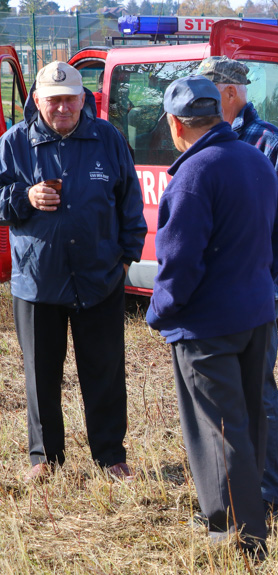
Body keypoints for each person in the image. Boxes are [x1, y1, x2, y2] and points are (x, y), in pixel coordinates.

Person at [145, 75, 278, 557]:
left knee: (217, 431)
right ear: (216, 113)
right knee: (249, 422)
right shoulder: (254, 158)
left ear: (175, 124)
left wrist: (160, 312)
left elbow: (179, 262)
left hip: (206, 327)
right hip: (255, 315)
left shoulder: (192, 175)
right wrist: (254, 286)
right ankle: (254, 516)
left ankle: (240, 536)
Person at [0, 61, 146, 483]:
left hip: (100, 278)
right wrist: (24, 196)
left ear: (84, 100)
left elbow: (129, 201)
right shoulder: (13, 143)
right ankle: (45, 459)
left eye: (70, 100)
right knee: (40, 374)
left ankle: (110, 455)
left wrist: (125, 258)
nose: (63, 108)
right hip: (37, 280)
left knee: (103, 370)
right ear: (37, 101)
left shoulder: (108, 140)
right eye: (54, 100)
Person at [196, 55, 278, 517]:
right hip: (215, 294)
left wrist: (238, 252)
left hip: (257, 290)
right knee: (224, 394)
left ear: (227, 93)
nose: (195, 103)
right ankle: (230, 493)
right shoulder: (204, 143)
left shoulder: (270, 143)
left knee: (257, 392)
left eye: (204, 92)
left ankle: (267, 494)